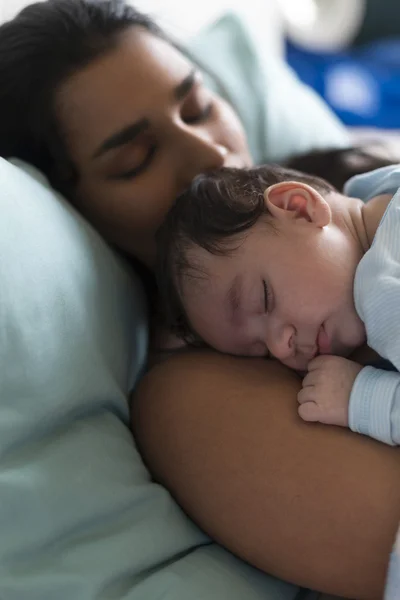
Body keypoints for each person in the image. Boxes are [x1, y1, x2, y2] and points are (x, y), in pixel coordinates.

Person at [0, 1, 399, 598]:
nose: (209, 156)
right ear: (79, 214)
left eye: (198, 107)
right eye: (136, 160)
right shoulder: (194, 399)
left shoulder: (358, 191)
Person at [155, 162, 399, 445]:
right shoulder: (384, 185)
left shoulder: (383, 291)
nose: (280, 347)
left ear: (300, 209)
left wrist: (361, 398)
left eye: (264, 299)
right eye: (263, 354)